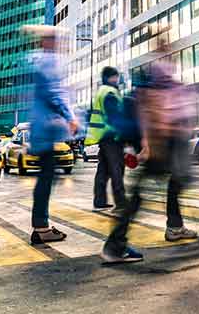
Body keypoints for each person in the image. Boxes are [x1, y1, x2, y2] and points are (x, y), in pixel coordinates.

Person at [102, 35, 197, 264]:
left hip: (167, 140)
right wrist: (147, 142)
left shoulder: (162, 75)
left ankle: (173, 227)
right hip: (162, 141)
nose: (171, 49)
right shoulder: (158, 74)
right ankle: (115, 244)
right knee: (145, 192)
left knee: (172, 184)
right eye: (166, 46)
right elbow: (150, 108)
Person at [26, 25, 79, 245]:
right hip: (46, 128)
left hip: (40, 127)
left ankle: (41, 225)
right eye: (54, 40)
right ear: (47, 42)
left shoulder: (34, 60)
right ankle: (41, 227)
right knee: (47, 176)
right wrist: (70, 116)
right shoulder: (47, 61)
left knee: (46, 176)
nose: (58, 44)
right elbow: (54, 92)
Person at [85, 65, 126, 210]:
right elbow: (114, 116)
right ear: (109, 78)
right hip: (112, 136)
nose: (117, 79)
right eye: (115, 76)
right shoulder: (110, 92)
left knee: (103, 170)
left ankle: (99, 200)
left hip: (104, 136)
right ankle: (121, 202)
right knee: (117, 169)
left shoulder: (101, 91)